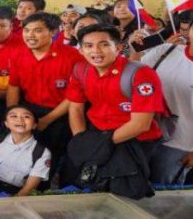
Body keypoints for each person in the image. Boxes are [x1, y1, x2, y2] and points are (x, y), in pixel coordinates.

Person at [63, 24, 167, 198]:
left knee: (127, 193)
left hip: (135, 139)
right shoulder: (81, 70)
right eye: (88, 46)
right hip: (98, 134)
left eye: (104, 44)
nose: (96, 51)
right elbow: (75, 107)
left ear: (118, 47)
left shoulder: (140, 74)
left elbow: (141, 124)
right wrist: (81, 139)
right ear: (81, 50)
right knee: (85, 186)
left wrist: (97, 146)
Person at [6, 12, 83, 180]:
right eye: (26, 30)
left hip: (60, 113)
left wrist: (48, 119)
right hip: (28, 110)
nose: (30, 35)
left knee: (50, 156)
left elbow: (74, 96)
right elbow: (13, 86)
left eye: (37, 30)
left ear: (53, 31)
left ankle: (42, 191)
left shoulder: (71, 56)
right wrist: (12, 114)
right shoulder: (19, 54)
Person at [138, 16, 192, 185]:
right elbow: (132, 71)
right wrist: (134, 47)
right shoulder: (165, 51)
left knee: (163, 196)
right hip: (144, 133)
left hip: (182, 145)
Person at [0, 105, 51, 196]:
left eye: (26, 116)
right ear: (6, 124)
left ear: (34, 125)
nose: (20, 120)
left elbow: (28, 188)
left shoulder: (42, 153)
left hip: (17, 192)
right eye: (14, 116)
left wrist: (12, 203)